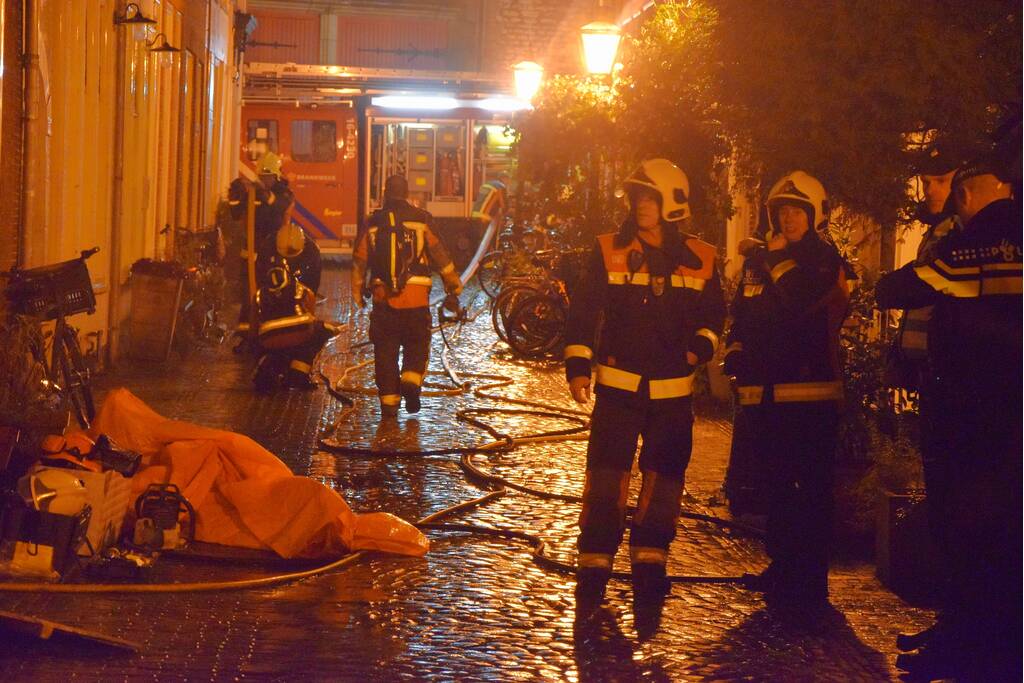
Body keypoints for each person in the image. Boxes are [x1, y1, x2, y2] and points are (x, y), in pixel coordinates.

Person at [876, 156, 1021, 680]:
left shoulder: (970, 241)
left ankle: (962, 642)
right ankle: (989, 640)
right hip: (1014, 417)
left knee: (961, 531)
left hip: (966, 413)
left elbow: (901, 289)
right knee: (1006, 534)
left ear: (964, 195)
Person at [564, 158, 726, 611]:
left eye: (650, 198)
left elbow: (714, 315)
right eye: (637, 197)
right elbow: (583, 311)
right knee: (606, 477)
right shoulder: (608, 249)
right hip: (618, 389)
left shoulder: (701, 257)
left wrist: (699, 348)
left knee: (666, 479)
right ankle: (594, 562)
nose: (641, 206)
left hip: (673, 393)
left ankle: (650, 562)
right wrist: (578, 366)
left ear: (672, 204)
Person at [729, 171, 850, 611]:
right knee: (777, 488)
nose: (789, 218)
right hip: (766, 396)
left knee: (812, 491)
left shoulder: (823, 261)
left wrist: (777, 260)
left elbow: (801, 301)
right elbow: (742, 312)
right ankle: (781, 568)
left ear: (813, 215)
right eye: (782, 211)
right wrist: (736, 350)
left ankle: (812, 581)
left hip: (810, 396)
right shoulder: (758, 261)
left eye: (797, 210)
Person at [352, 175, 463, 418]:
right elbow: (439, 254)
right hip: (416, 300)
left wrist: (358, 292)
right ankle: (411, 381)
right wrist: (453, 286)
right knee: (417, 345)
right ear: (407, 193)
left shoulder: (372, 222)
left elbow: (360, 259)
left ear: (385, 194)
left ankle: (389, 405)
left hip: (384, 302)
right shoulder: (422, 220)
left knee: (385, 354)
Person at [471, 173, 509, 246]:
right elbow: (502, 203)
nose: (508, 182)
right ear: (504, 179)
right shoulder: (501, 186)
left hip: (475, 213)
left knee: (478, 241)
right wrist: (505, 211)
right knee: (488, 242)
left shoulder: (487, 184)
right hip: (485, 216)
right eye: (507, 180)